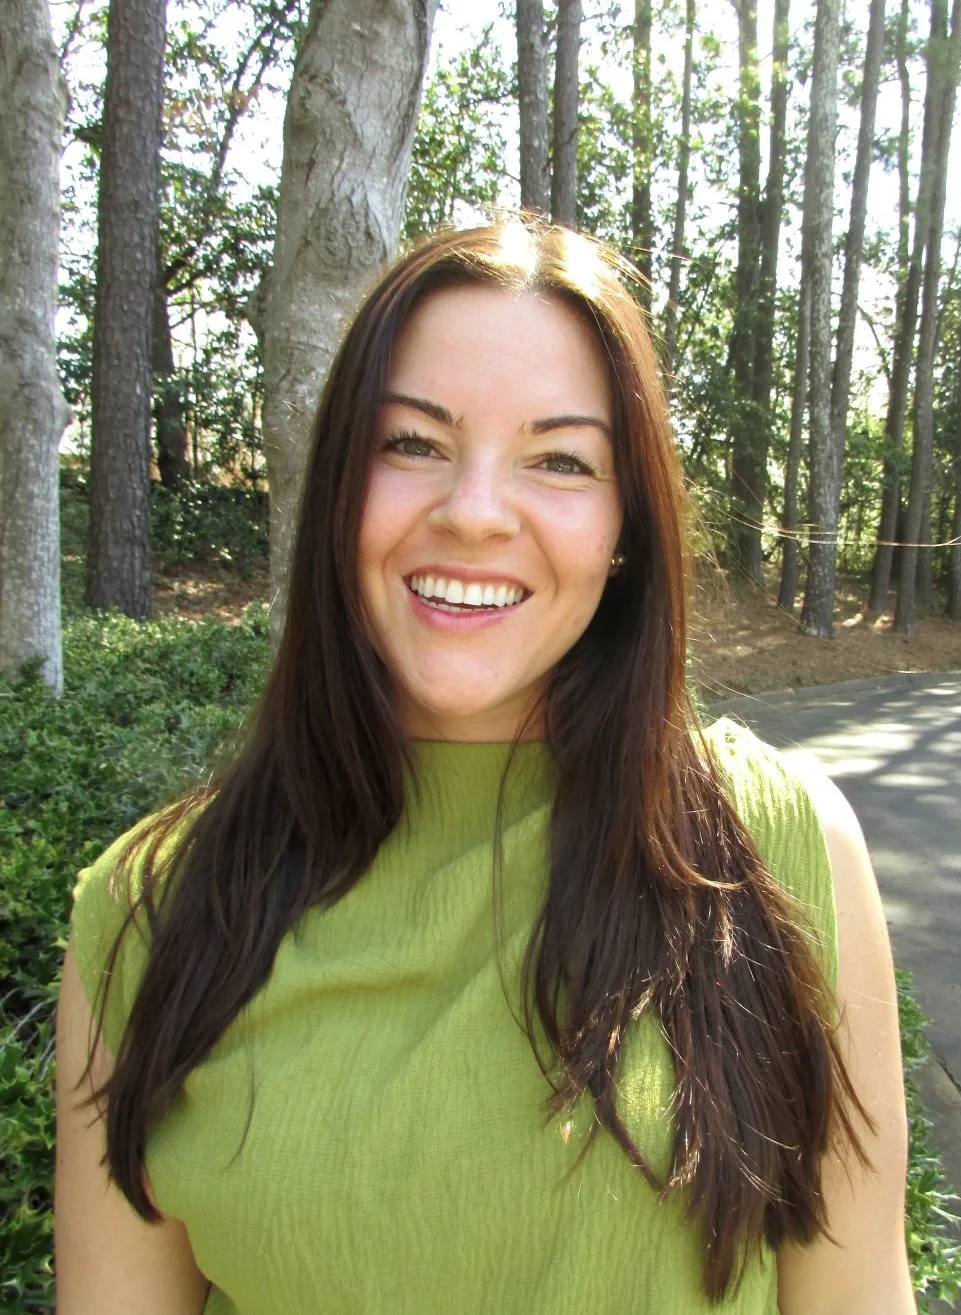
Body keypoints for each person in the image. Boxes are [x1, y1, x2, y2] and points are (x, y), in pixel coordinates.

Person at [55, 219, 913, 1314]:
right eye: (411, 443)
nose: (470, 513)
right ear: (335, 491)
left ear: (624, 530)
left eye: (558, 459)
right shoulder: (150, 906)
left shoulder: (774, 851)